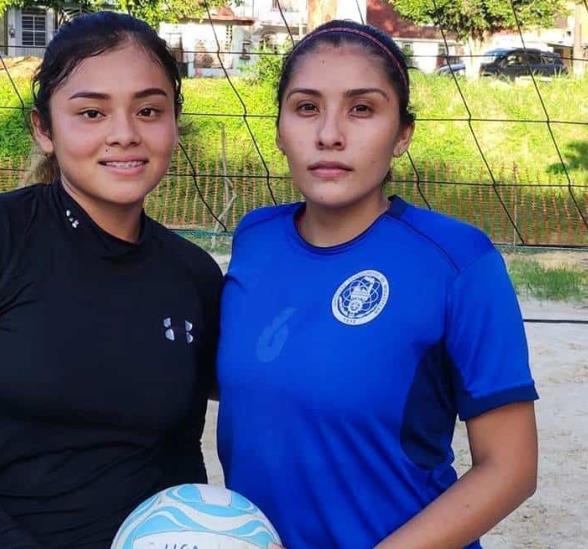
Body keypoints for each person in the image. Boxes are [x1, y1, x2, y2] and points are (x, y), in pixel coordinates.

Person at [0, 12, 222, 548]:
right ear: (44, 129)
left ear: (173, 123)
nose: (125, 134)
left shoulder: (192, 274)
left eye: (149, 110)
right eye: (91, 112)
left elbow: (178, 456)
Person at [216, 20, 538, 549]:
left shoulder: (458, 260)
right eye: (306, 107)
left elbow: (511, 469)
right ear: (278, 129)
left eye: (362, 108)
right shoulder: (256, 237)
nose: (330, 134)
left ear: (403, 133)